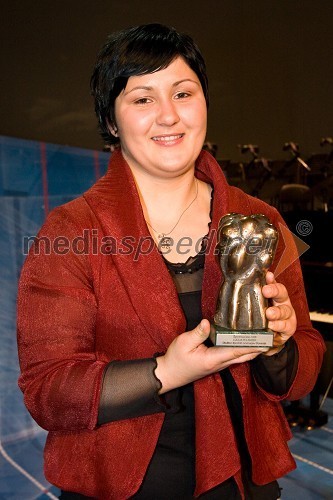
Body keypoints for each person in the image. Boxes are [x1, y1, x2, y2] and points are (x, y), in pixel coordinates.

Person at [17, 23, 325, 499]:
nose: (168, 116)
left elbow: (304, 362)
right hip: (116, 488)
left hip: (245, 485)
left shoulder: (260, 218)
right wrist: (167, 371)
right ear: (112, 121)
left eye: (183, 92)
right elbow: (48, 390)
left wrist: (278, 345)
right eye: (143, 99)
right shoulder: (70, 231)